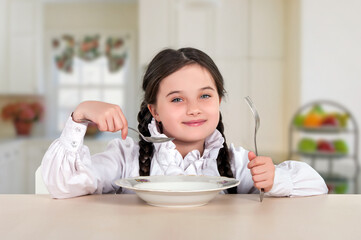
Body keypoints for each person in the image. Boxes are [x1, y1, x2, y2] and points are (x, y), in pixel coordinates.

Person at [41, 47, 328, 198]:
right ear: (154, 110)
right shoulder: (125, 157)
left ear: (219, 100)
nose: (194, 109)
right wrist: (80, 115)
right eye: (177, 99)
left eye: (205, 95)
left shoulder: (237, 162)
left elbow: (316, 186)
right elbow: (62, 185)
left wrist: (276, 180)